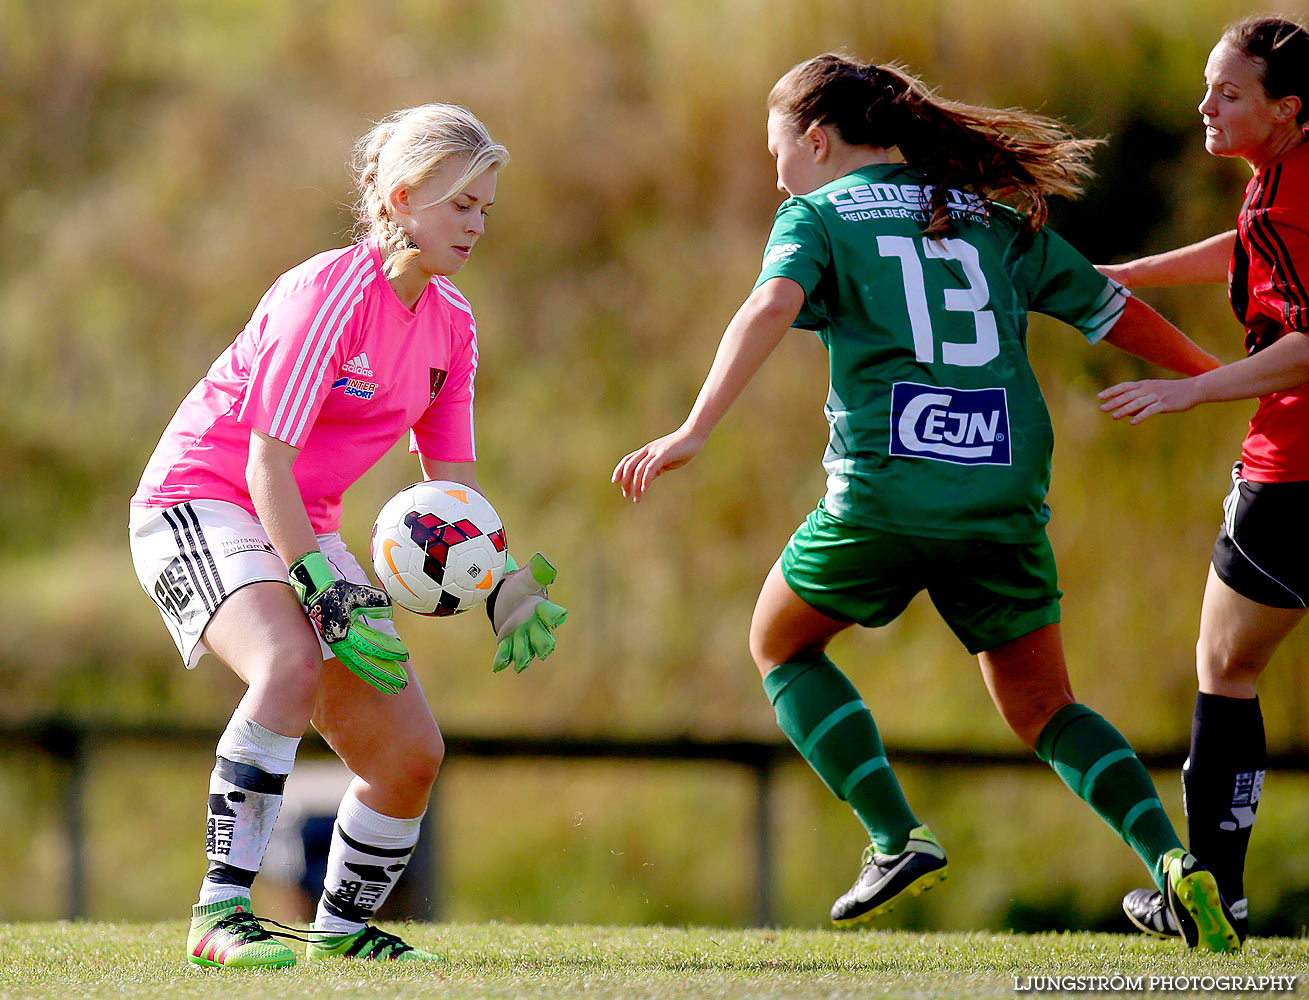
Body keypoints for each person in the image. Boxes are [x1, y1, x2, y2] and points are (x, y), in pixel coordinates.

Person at [613, 52, 1241, 951]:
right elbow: (1111, 309)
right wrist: (1224, 380)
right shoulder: (983, 213)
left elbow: (768, 305)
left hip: (886, 495)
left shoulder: (816, 213)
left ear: (817, 141)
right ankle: (1173, 867)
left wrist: (692, 428)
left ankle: (894, 836)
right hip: (1002, 493)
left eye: (776, 149)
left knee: (780, 644)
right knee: (1045, 707)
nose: (776, 170)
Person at [128, 103, 566, 968]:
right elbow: (263, 467)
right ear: (402, 201)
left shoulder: (454, 322)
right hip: (199, 501)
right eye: (461, 206)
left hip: (298, 522)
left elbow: (454, 490)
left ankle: (338, 934)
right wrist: (325, 592)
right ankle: (218, 915)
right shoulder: (324, 295)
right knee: (289, 661)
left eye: (486, 208)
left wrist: (502, 584)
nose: (478, 226)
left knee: (408, 754)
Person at [1098, 15, 1309, 945]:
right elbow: (1251, 251)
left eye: (1228, 93)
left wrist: (1194, 394)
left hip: (1294, 472)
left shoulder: (1283, 199)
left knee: (1224, 667)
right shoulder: (1278, 180)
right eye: (1206, 85)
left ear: (1286, 108)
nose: (1204, 106)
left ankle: (1213, 896)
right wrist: (1128, 273)